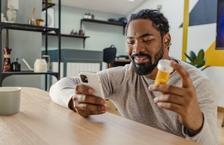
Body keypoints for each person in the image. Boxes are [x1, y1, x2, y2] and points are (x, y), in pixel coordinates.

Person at [49, 9, 217, 145]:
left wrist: (196, 124)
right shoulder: (125, 75)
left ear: (166, 40)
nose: (137, 49)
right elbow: (60, 85)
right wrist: (73, 99)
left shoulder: (198, 84)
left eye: (147, 39)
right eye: (131, 41)